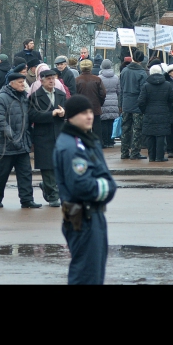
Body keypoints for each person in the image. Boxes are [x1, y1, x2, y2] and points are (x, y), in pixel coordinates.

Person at [54, 95, 117, 284]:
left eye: (90, 111)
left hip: (92, 214)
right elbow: (82, 186)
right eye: (83, 113)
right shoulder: (72, 147)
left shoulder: (86, 140)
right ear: (71, 116)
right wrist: (108, 187)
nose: (89, 116)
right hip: (82, 216)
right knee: (86, 274)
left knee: (94, 272)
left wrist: (105, 184)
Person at [0, 70, 41, 209]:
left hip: (23, 144)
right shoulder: (1, 98)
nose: (23, 84)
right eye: (20, 82)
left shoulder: (25, 97)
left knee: (25, 174)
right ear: (11, 83)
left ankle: (27, 200)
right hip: (8, 145)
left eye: (23, 82)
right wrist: (12, 136)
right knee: (1, 175)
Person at [28, 69, 66, 207]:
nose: (51, 81)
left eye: (53, 78)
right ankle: (53, 195)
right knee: (47, 166)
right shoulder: (35, 97)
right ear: (41, 81)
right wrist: (51, 114)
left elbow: (67, 111)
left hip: (59, 134)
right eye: (48, 78)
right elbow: (32, 116)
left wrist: (63, 113)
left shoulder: (61, 94)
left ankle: (47, 186)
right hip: (43, 135)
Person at [138, 65, 173, 162]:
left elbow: (141, 101)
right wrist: (167, 107)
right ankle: (160, 157)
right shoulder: (167, 85)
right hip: (163, 112)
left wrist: (145, 110)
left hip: (149, 112)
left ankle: (151, 157)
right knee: (161, 135)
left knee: (150, 135)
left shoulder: (146, 85)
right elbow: (172, 99)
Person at [119, 49, 147, 160]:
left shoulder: (124, 71)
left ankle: (124, 152)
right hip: (137, 105)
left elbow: (121, 89)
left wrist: (120, 104)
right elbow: (143, 92)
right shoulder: (142, 73)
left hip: (126, 103)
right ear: (141, 60)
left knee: (125, 128)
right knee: (137, 129)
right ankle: (135, 152)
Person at [75, 60, 106, 134]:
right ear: (91, 67)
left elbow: (74, 95)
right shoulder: (97, 79)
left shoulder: (77, 80)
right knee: (97, 128)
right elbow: (103, 93)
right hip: (95, 107)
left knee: (83, 129)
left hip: (81, 108)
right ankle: (98, 144)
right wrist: (100, 103)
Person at [98, 59, 120, 148]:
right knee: (111, 122)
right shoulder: (116, 77)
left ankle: (105, 141)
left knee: (103, 122)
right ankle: (111, 141)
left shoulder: (99, 77)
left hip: (103, 101)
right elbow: (119, 90)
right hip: (114, 100)